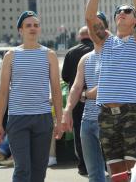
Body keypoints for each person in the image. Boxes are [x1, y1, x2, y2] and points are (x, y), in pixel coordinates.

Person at [85, 0, 136, 180]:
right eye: (118, 11)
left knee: (134, 173)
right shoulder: (106, 42)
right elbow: (89, 18)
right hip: (105, 114)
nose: (122, 13)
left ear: (133, 21)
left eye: (127, 11)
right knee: (115, 174)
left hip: (131, 112)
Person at [0, 10, 63, 182]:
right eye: (28, 25)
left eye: (36, 25)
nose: (33, 28)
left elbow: (55, 89)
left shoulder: (50, 55)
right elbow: (3, 92)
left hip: (43, 118)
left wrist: (59, 121)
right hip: (17, 118)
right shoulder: (11, 56)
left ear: (39, 29)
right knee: (22, 169)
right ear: (20, 30)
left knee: (39, 170)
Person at [62, 12, 109, 182]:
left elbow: (106, 86)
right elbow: (75, 86)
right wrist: (67, 111)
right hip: (87, 122)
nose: (95, 29)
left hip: (110, 120)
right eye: (91, 26)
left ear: (106, 29)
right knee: (94, 175)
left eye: (99, 26)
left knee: (116, 172)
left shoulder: (114, 55)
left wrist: (84, 94)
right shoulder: (85, 59)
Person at [61, 26, 94, 175]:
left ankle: (83, 166)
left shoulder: (71, 52)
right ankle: (101, 165)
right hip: (96, 97)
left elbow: (65, 77)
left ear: (79, 37)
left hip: (76, 99)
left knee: (80, 132)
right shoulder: (99, 49)